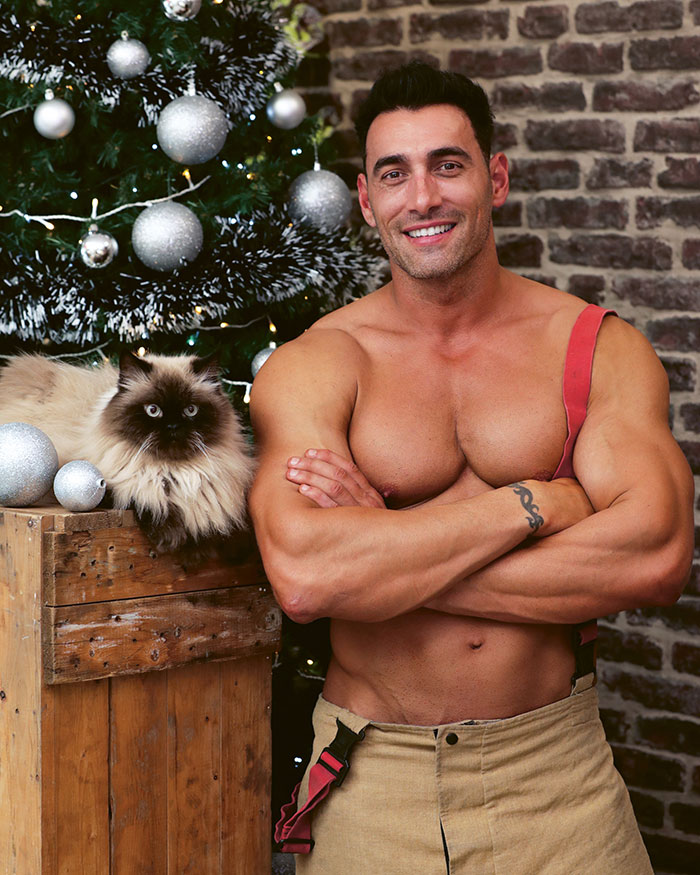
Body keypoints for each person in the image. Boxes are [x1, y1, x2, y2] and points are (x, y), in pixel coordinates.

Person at [249, 62, 694, 874]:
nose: (423, 197)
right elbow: (310, 576)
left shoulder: (596, 348)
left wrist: (384, 549)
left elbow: (657, 556)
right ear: (365, 199)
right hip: (372, 779)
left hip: (558, 779)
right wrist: (528, 504)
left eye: (447, 165)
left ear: (495, 177)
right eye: (395, 173)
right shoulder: (318, 364)